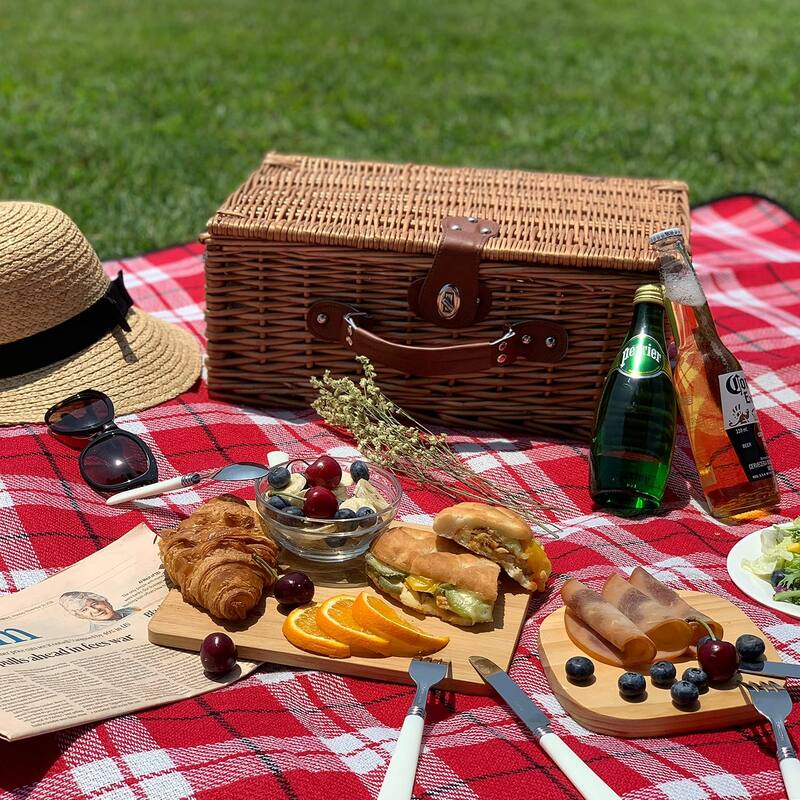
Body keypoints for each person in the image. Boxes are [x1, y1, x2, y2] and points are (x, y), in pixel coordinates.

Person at [58, 591, 137, 630]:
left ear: (104, 600)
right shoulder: (97, 632)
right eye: (84, 610)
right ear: (80, 616)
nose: (95, 610)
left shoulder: (132, 609)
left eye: (94, 604)